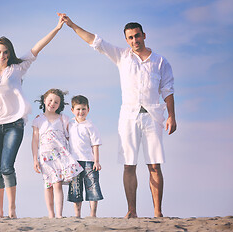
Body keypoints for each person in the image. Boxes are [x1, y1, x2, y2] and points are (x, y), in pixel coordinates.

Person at [60, 13, 177, 218]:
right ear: (126, 40)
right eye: (130, 37)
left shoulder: (160, 62)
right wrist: (71, 25)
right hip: (128, 117)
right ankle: (131, 211)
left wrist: (171, 116)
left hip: (152, 116)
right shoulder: (122, 56)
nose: (135, 40)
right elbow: (95, 41)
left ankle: (158, 211)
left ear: (144, 35)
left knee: (154, 165)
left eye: (137, 36)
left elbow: (167, 90)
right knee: (129, 164)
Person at [0, 16, 65, 219]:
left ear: (10, 54)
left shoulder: (17, 68)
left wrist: (57, 28)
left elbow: (37, 48)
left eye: (6, 52)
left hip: (14, 125)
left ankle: (12, 209)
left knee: (7, 167)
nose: (2, 55)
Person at [31, 89, 83, 218]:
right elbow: (35, 141)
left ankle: (59, 214)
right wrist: (35, 160)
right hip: (45, 157)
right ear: (44, 101)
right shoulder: (38, 120)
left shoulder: (63, 118)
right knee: (48, 185)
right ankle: (51, 214)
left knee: (57, 184)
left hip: (60, 156)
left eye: (56, 102)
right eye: (50, 100)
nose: (52, 103)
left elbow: (70, 137)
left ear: (60, 104)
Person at [67, 95, 103, 218]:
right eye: (78, 109)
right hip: (74, 161)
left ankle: (93, 214)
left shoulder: (90, 126)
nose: (81, 112)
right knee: (76, 188)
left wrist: (96, 161)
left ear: (88, 109)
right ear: (72, 110)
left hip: (89, 161)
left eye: (83, 109)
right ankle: (77, 215)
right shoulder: (70, 125)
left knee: (92, 186)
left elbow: (95, 144)